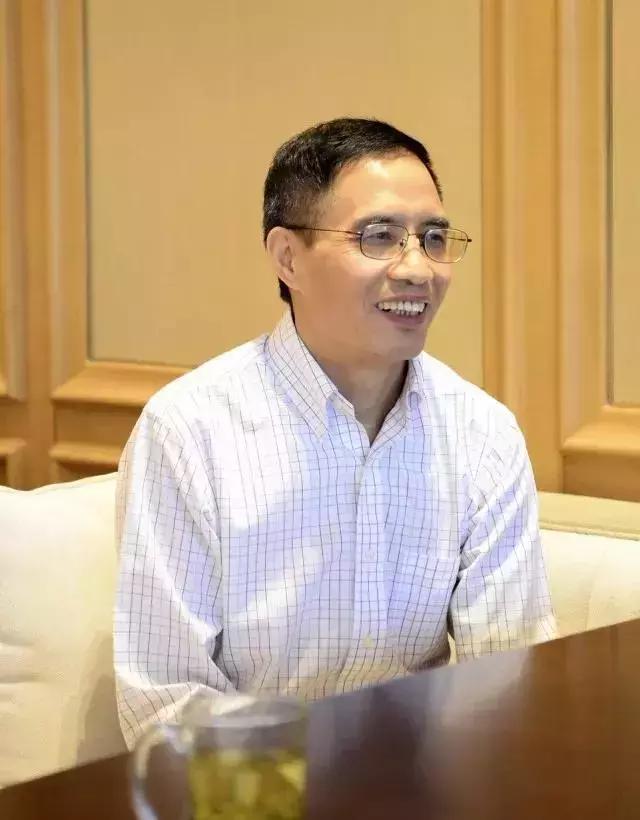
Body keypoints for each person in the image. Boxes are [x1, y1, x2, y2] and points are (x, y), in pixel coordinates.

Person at [114, 117, 556, 747]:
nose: (418, 269)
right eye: (379, 237)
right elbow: (164, 705)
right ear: (287, 257)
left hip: (426, 784)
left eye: (433, 238)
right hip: (255, 789)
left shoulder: (482, 434)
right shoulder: (189, 431)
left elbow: (507, 681)